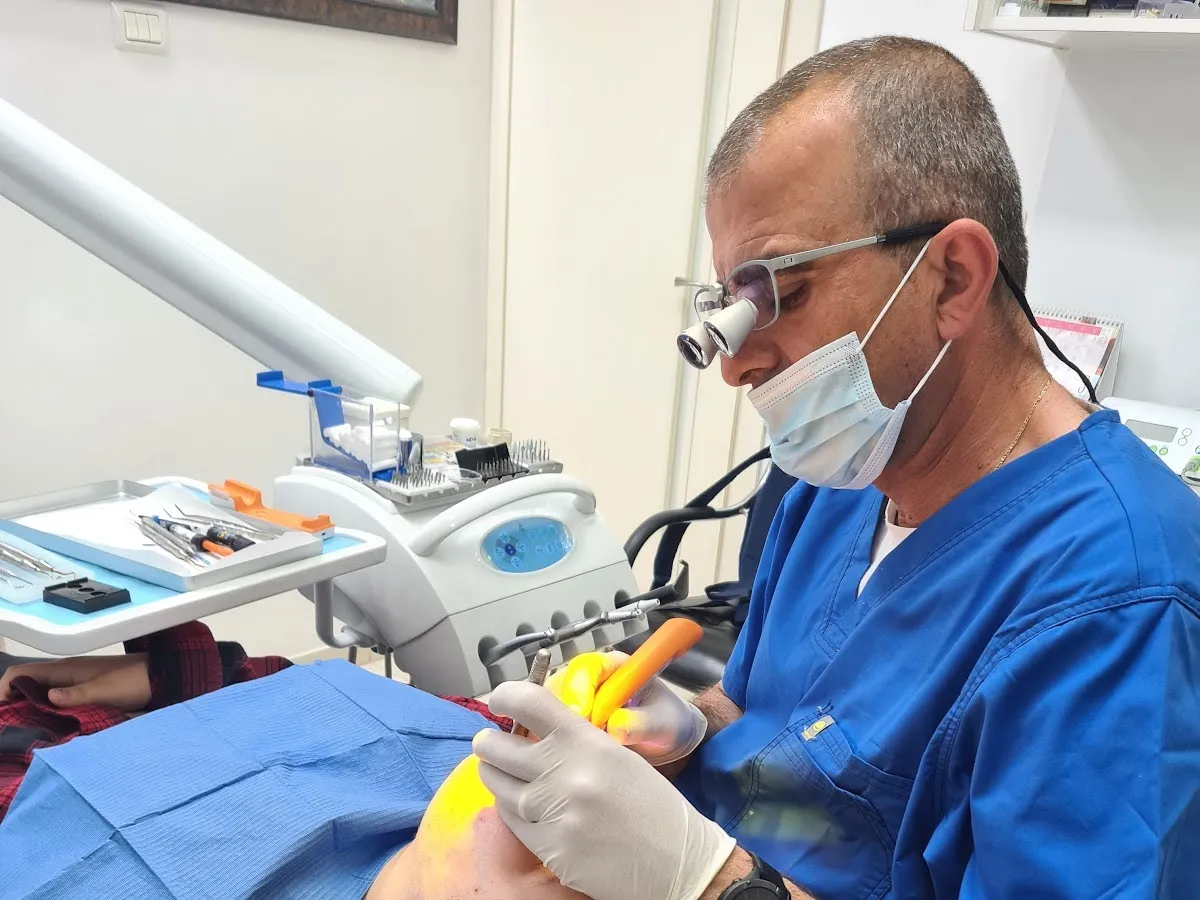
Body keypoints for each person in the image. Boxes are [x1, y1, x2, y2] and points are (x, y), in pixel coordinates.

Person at [473, 36, 1200, 900]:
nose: (736, 366)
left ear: (952, 279)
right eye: (729, 306)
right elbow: (784, 754)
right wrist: (688, 734)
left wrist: (704, 879)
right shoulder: (839, 484)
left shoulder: (1118, 603)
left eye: (778, 294)